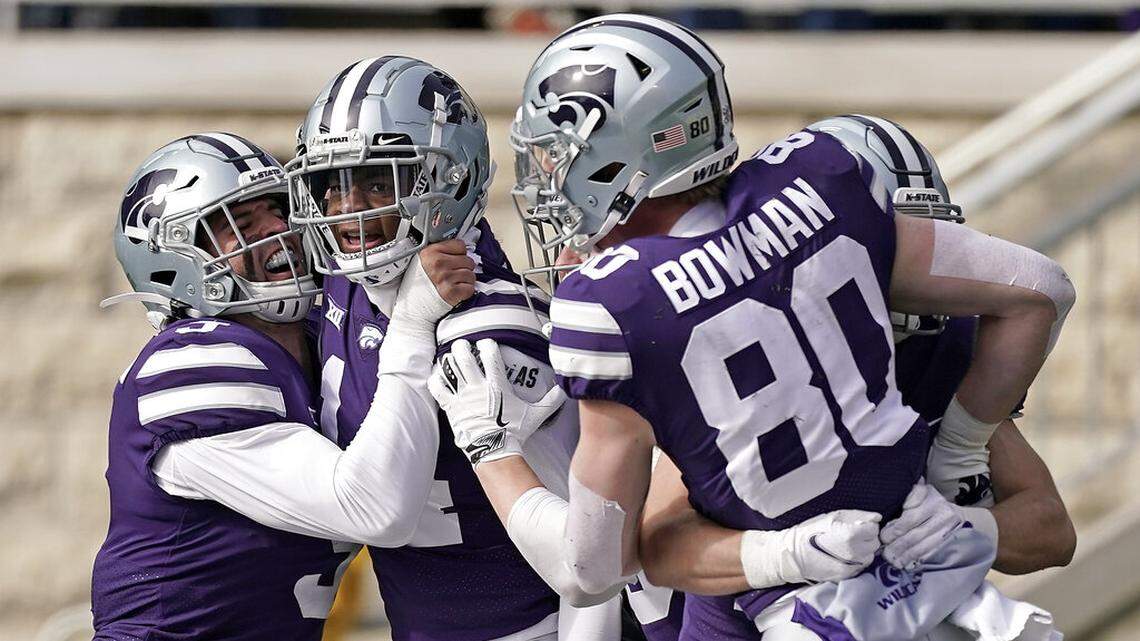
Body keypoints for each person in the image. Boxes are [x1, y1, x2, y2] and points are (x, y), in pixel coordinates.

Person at [434, 13, 1075, 640]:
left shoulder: (621, 309)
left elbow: (592, 567)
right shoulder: (821, 188)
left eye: (557, 155)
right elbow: (1039, 288)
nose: (548, 176)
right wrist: (950, 461)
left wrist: (489, 446)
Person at [634, 115, 1077, 640]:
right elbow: (659, 544)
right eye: (897, 244)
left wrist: (975, 529)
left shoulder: (938, 352)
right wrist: (787, 553)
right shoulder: (738, 352)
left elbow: (1052, 530)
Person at [287, 56, 622, 641]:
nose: (347, 211)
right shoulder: (345, 279)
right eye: (331, 185)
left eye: (375, 182)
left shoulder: (489, 329)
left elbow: (593, 554)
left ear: (452, 179)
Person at [92, 132, 473, 640]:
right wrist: (412, 322)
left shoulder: (326, 341)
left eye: (279, 208)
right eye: (240, 224)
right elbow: (373, 508)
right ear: (176, 264)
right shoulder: (194, 360)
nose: (278, 229)